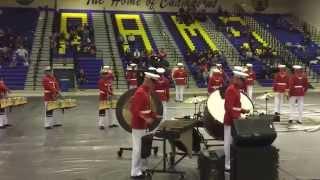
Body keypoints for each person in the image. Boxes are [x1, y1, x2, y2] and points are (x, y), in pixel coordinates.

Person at [130, 72, 162, 178]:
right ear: (148, 81)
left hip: (143, 124)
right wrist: (146, 118)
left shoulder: (146, 92)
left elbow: (147, 109)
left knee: (142, 147)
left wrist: (154, 115)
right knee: (137, 148)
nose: (154, 86)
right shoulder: (140, 92)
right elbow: (134, 110)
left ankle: (141, 168)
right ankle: (135, 171)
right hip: (138, 124)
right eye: (153, 83)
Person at [224, 70, 250, 171]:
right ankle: (227, 164)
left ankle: (231, 161)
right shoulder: (231, 90)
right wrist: (238, 117)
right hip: (230, 120)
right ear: (238, 80)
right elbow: (229, 107)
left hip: (234, 119)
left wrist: (242, 110)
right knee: (228, 142)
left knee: (232, 142)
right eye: (242, 81)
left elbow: (235, 106)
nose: (243, 83)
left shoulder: (236, 89)